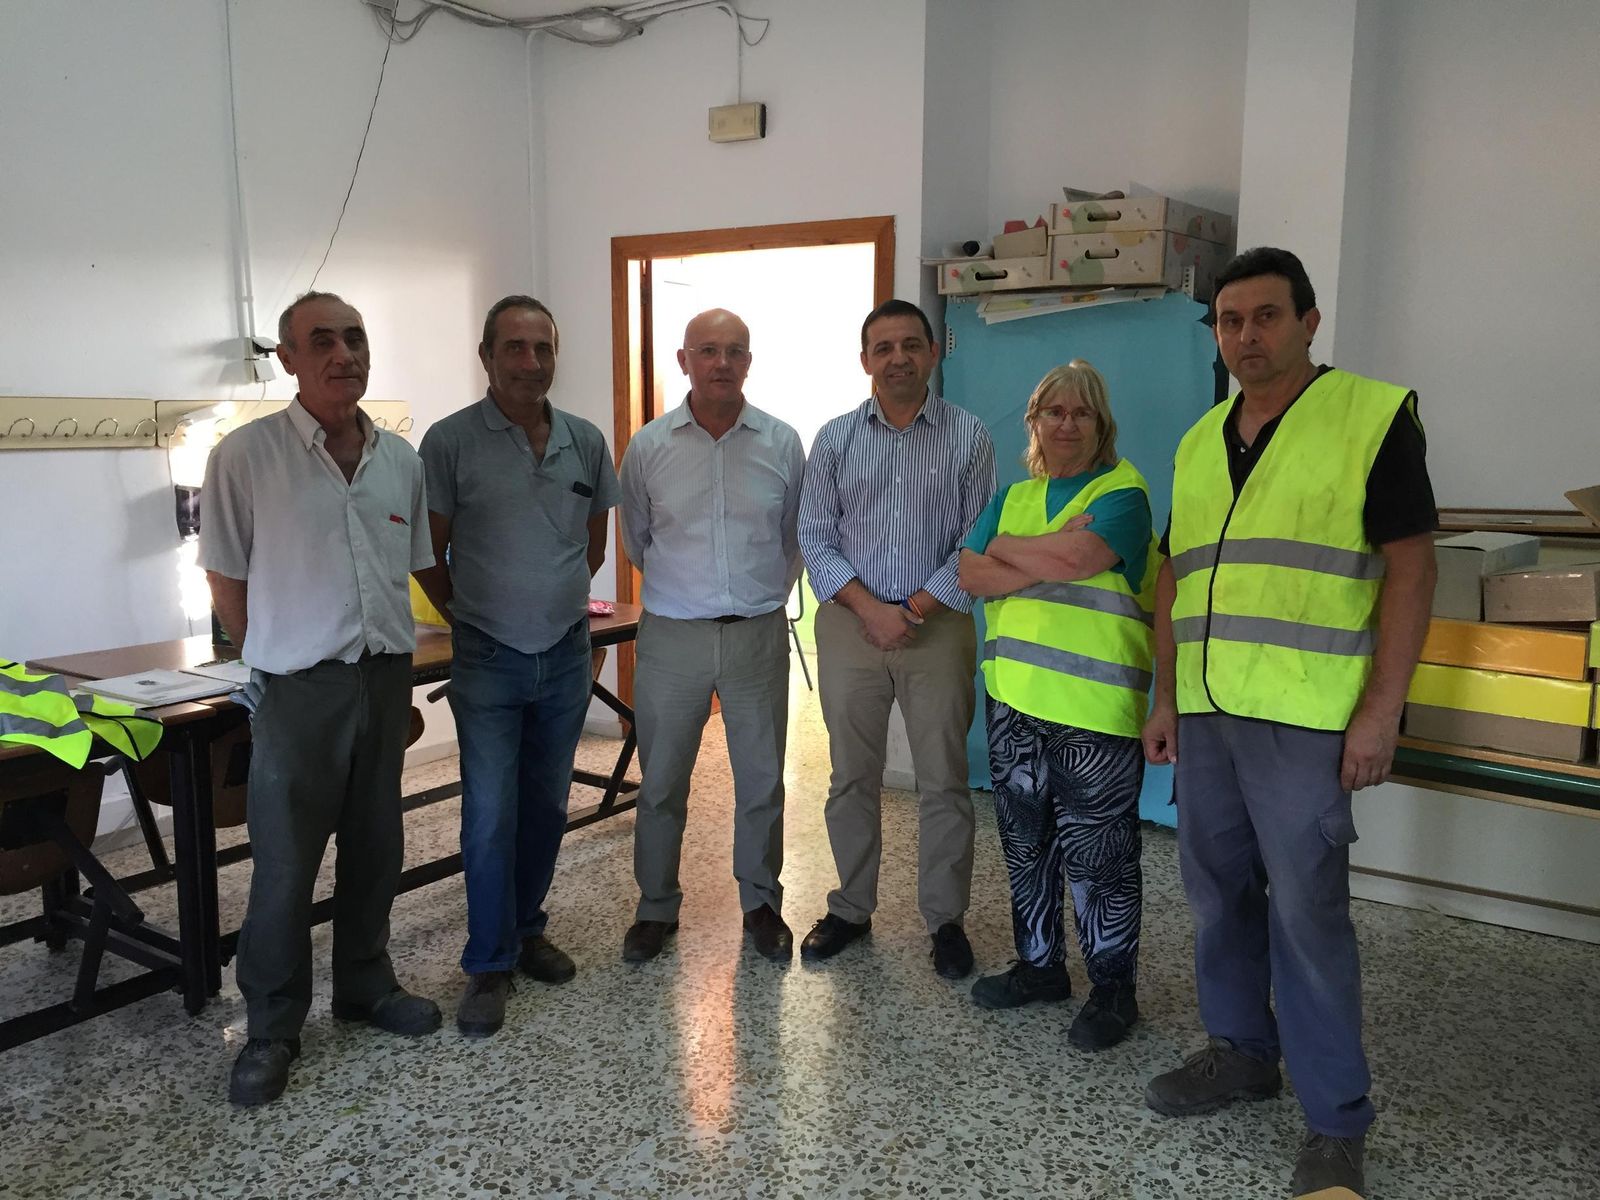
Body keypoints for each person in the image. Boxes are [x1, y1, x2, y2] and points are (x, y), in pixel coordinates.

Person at [1140, 247, 1437, 1199]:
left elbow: (1411, 568)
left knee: (1309, 917)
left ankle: (1335, 1122)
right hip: (1211, 713)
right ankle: (1241, 1050)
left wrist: (1381, 711)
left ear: (1309, 322)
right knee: (1218, 893)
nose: (1245, 337)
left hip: (1308, 718)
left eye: (1266, 317)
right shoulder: (1196, 442)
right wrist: (1164, 696)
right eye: (1230, 321)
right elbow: (1174, 575)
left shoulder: (1371, 418)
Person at [200, 291, 441, 1107]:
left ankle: (366, 986)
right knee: (285, 866)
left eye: (356, 338)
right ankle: (272, 1025)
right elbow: (226, 579)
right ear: (290, 359)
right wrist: (270, 662)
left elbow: (406, 568)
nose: (345, 354)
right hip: (298, 686)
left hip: (381, 677)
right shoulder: (245, 457)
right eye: (323, 341)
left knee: (377, 847)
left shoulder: (400, 460)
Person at [415, 296, 620, 1037]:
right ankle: (488, 962)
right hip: (489, 657)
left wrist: (552, 602)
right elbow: (425, 554)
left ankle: (528, 928)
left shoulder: (585, 441)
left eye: (543, 347)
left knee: (546, 806)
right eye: (515, 348)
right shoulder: (449, 442)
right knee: (490, 814)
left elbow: (591, 548)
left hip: (565, 656)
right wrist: (471, 613)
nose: (530, 362)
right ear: (487, 356)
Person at [957, 360, 1155, 1050]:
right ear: (1033, 422)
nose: (1066, 424)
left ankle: (1112, 990)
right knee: (1025, 847)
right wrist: (1037, 552)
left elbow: (1077, 561)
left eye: (1081, 413)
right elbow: (969, 571)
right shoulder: (1011, 497)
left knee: (1099, 859)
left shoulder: (1123, 493)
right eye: (1053, 412)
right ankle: (1040, 967)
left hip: (1094, 712)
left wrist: (1009, 552)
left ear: (1102, 424)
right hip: (1014, 705)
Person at [796, 298, 996, 979]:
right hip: (851, 628)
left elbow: (978, 541)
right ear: (865, 361)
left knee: (944, 780)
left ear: (933, 353)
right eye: (884, 348)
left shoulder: (969, 436)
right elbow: (815, 536)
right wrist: (868, 607)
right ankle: (851, 907)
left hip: (937, 627)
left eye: (912, 344)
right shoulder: (833, 439)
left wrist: (908, 607)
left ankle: (945, 920)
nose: (899, 358)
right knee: (851, 775)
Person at [617, 308, 805, 963]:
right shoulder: (648, 447)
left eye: (734, 351)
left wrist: (755, 600)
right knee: (662, 781)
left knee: (762, 781)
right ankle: (656, 908)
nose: (721, 362)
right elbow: (638, 540)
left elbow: (793, 541)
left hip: (756, 636)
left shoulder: (782, 443)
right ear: (684, 360)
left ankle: (761, 903)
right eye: (707, 351)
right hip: (672, 639)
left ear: (749, 362)